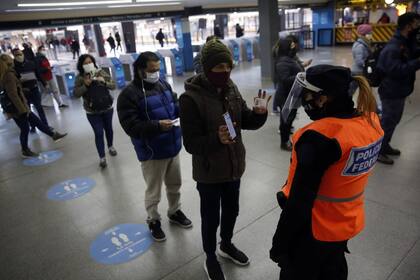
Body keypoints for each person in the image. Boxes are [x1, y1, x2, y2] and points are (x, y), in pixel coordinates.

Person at [270, 65, 384, 280]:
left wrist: (280, 245)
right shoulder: (370, 123)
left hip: (312, 231)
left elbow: (299, 203)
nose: (305, 102)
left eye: (308, 96)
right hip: (343, 225)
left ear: (322, 99)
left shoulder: (319, 138)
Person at [180, 38, 269, 280]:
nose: (225, 71)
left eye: (228, 66)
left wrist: (260, 114)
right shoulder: (190, 99)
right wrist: (216, 140)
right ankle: (210, 257)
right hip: (209, 172)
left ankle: (226, 244)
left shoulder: (231, 88)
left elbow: (245, 121)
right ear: (207, 68)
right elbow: (191, 144)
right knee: (211, 216)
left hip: (233, 166)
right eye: (219, 67)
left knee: (232, 209)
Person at [117, 51, 192, 241]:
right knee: (154, 191)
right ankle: (153, 219)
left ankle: (174, 211)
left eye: (158, 69)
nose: (155, 73)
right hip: (152, 152)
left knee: (175, 184)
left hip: (172, 146)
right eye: (152, 70)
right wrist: (157, 126)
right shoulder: (128, 95)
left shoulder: (163, 85)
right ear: (140, 70)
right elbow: (131, 126)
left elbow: (175, 106)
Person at [0, 54, 67, 157]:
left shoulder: (6, 74)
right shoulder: (9, 75)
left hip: (19, 106)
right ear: (7, 62)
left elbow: (13, 90)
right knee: (25, 128)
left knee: (35, 122)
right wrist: (22, 109)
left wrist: (22, 90)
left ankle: (53, 135)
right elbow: (13, 94)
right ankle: (25, 149)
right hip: (19, 108)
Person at [376, 12, 420, 165]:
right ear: (408, 26)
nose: (418, 28)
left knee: (394, 120)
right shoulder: (394, 46)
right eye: (416, 24)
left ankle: (385, 145)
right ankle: (378, 151)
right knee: (388, 121)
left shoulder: (406, 43)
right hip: (391, 91)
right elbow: (396, 70)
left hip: (399, 90)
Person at [74, 54, 117, 168]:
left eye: (90, 62)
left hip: (107, 107)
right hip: (92, 112)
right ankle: (102, 157)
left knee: (109, 129)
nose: (88, 65)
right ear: (81, 65)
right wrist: (85, 85)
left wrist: (104, 82)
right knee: (98, 133)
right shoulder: (80, 78)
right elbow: (76, 94)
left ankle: (111, 146)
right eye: (85, 63)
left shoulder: (100, 72)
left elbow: (113, 86)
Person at [273, 37, 304, 151]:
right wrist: (300, 76)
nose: (294, 47)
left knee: (289, 119)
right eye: (291, 46)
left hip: (292, 94)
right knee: (286, 120)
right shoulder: (282, 61)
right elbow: (285, 79)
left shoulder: (289, 58)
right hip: (287, 96)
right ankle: (284, 142)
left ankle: (286, 140)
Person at [12, 48, 50, 132]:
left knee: (39, 108)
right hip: (23, 92)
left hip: (34, 88)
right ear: (14, 56)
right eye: (16, 55)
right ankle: (33, 127)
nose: (19, 56)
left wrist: (44, 83)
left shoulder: (31, 63)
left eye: (20, 54)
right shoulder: (13, 68)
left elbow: (38, 74)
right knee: (28, 110)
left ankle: (46, 125)